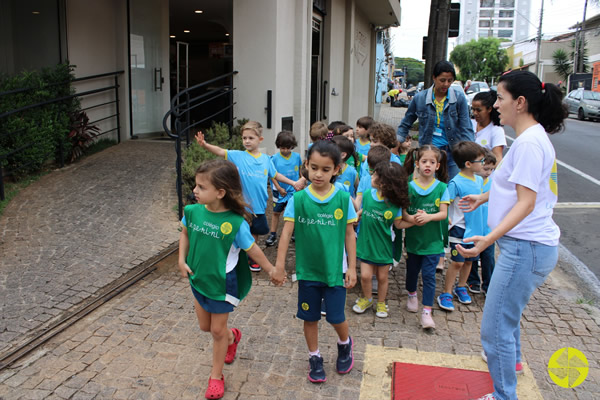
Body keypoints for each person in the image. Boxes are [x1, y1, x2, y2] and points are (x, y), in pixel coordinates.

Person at [457, 70, 567, 400]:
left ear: (520, 103)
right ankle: (514, 362)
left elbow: (527, 202)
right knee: (508, 317)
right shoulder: (530, 139)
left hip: (526, 249)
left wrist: (487, 240)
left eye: (500, 99)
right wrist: (483, 197)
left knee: (494, 330)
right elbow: (516, 188)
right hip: (526, 247)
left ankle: (505, 396)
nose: (495, 106)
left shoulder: (531, 143)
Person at [178, 159, 284, 400]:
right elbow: (185, 234)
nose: (195, 191)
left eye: (201, 187)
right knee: (206, 327)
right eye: (196, 185)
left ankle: (216, 376)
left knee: (216, 331)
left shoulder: (236, 223)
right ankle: (233, 336)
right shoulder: (192, 212)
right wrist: (181, 259)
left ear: (220, 192)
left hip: (222, 283)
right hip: (199, 280)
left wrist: (272, 270)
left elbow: (253, 250)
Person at [274, 140, 357, 384]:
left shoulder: (342, 198)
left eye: (326, 169)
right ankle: (315, 356)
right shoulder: (298, 199)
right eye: (314, 168)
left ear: (336, 170)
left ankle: (345, 344)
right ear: (306, 166)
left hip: (335, 270)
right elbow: (286, 233)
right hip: (308, 272)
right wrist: (279, 266)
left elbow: (349, 234)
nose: (318, 174)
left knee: (335, 316)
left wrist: (351, 267)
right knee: (309, 318)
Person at [195, 121, 303, 272]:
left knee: (254, 233)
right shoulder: (237, 156)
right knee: (237, 232)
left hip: (258, 205)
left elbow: (275, 174)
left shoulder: (266, 159)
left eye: (251, 138)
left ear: (260, 139)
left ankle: (252, 258)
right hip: (240, 205)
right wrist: (205, 145)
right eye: (244, 138)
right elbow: (220, 151)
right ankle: (234, 258)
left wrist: (293, 183)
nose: (247, 141)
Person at [396, 60, 475, 179]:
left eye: (450, 81)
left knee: (451, 189)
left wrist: (469, 151)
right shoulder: (420, 98)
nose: (446, 84)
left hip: (452, 152)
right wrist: (396, 143)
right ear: (434, 77)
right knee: (429, 189)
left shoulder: (459, 99)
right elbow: (406, 122)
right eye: (442, 80)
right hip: (429, 153)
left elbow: (466, 126)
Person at [352, 162, 412, 318]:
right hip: (366, 243)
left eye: (375, 175)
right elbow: (366, 209)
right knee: (365, 276)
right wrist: (358, 215)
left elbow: (398, 224)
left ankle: (381, 302)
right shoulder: (366, 194)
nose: (372, 177)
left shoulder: (394, 205)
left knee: (382, 277)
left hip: (384, 246)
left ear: (385, 182)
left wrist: (414, 221)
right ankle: (367, 298)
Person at [402, 145, 450, 329]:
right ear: (417, 164)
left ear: (438, 166)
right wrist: (413, 219)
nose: (428, 165)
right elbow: (403, 213)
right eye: (424, 161)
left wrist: (429, 216)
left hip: (433, 242)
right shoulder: (409, 187)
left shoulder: (442, 188)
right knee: (412, 272)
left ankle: (427, 311)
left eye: (432, 162)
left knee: (429, 276)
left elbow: (443, 214)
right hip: (414, 241)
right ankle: (412, 293)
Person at [437, 141, 486, 312]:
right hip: (459, 228)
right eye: (481, 160)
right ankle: (446, 292)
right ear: (468, 164)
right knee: (458, 261)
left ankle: (462, 286)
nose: (483, 163)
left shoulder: (480, 180)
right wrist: (447, 218)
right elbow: (446, 201)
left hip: (476, 229)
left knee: (470, 261)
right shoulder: (455, 182)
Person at [466, 151, 497, 294]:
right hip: (474, 225)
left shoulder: (494, 183)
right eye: (486, 169)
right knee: (472, 256)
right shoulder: (473, 183)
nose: (489, 172)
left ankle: (488, 284)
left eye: (492, 169)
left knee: (488, 258)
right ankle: (473, 281)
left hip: (488, 228)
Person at [266, 131, 303, 247]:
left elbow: (300, 171)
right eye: (282, 148)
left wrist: (301, 183)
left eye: (288, 148)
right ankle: (273, 234)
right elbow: (272, 175)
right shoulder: (274, 159)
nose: (285, 150)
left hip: (294, 190)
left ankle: (295, 232)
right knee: (276, 212)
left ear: (292, 147)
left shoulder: (297, 157)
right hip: (279, 191)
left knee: (295, 212)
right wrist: (278, 187)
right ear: (278, 146)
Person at [471, 91, 506, 162]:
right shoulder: (470, 124)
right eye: (473, 109)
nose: (475, 113)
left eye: (478, 110)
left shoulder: (496, 131)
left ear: (489, 109)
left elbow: (497, 159)